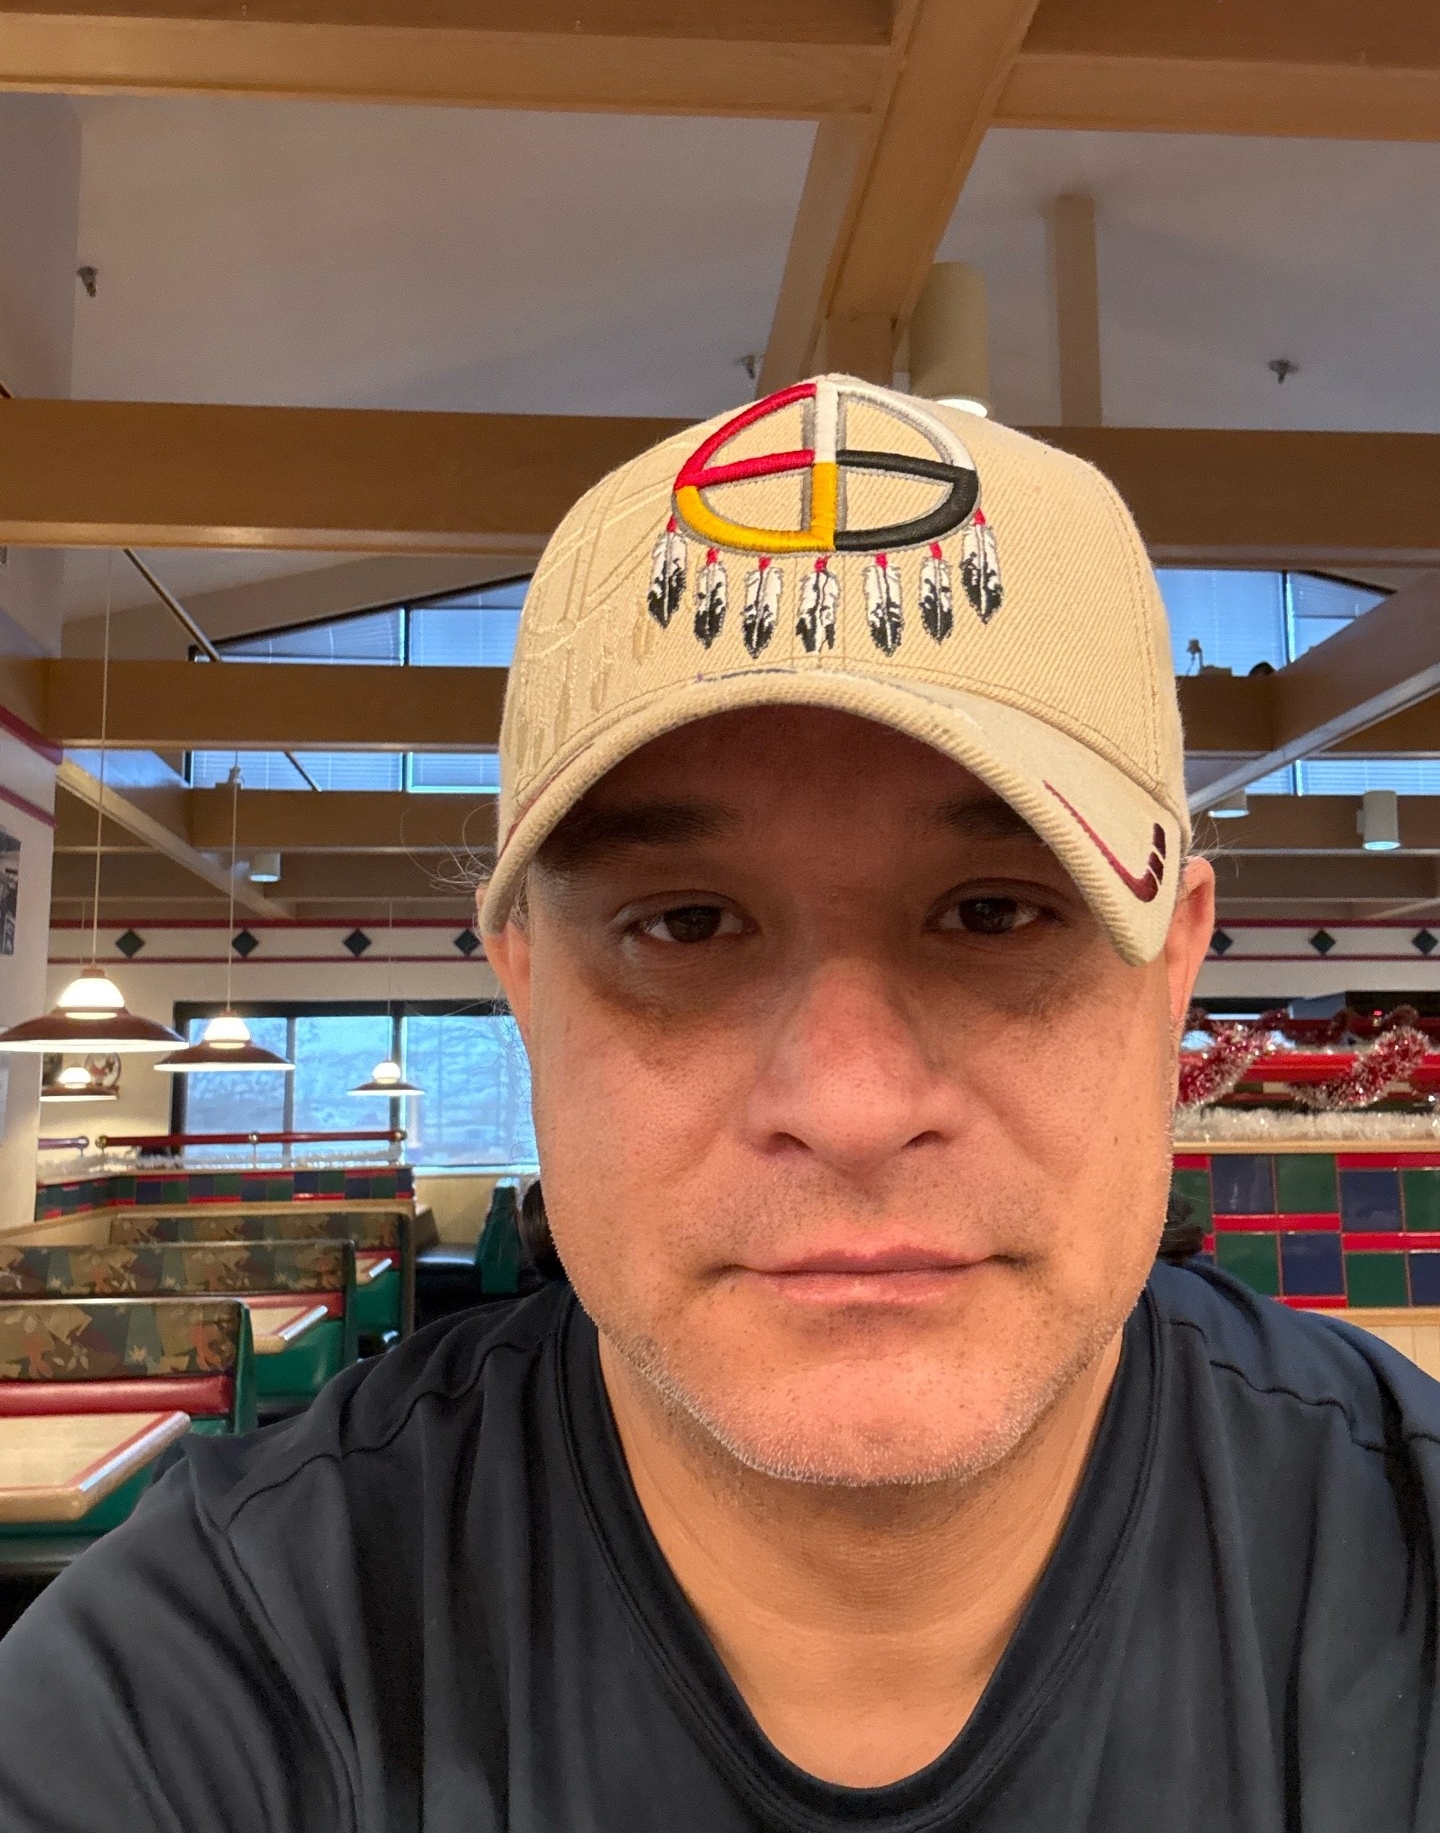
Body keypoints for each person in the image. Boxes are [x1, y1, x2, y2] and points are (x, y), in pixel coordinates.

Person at [0, 375, 1435, 1829]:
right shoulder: (203, 1677)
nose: (853, 1106)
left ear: (1176, 962)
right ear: (525, 985)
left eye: (996, 913)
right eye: (684, 925)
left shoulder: (1405, 1557)